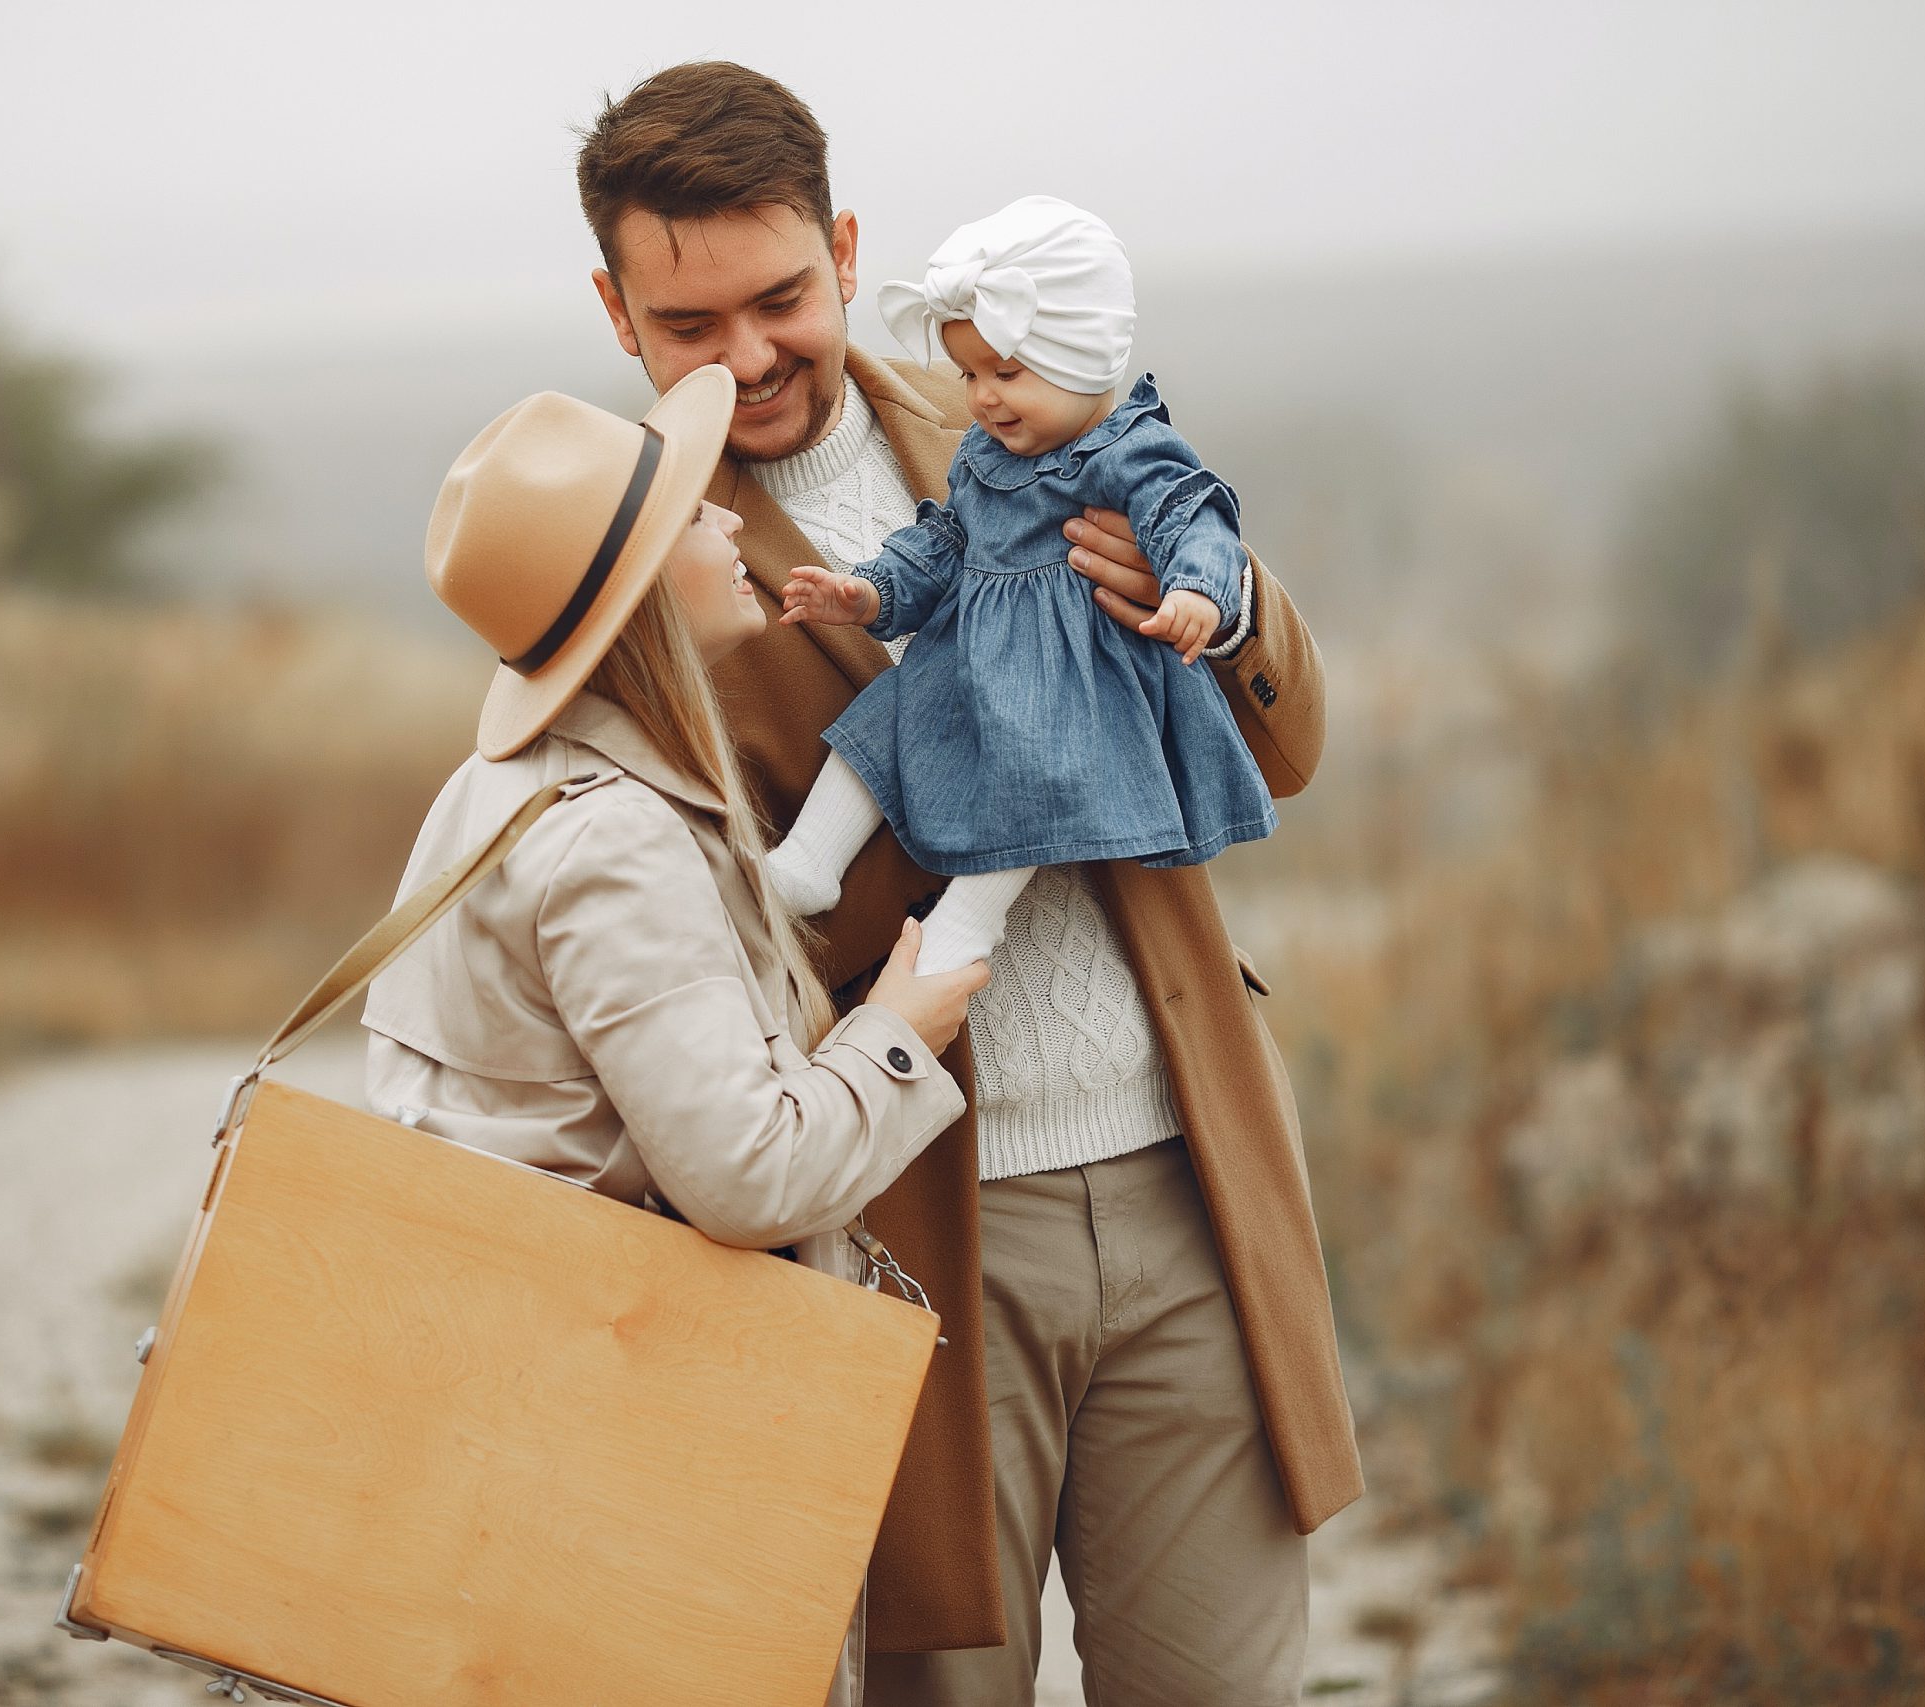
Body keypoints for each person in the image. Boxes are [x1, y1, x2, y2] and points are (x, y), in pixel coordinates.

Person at [573, 61, 1363, 1707]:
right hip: (898, 1242)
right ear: (613, 310)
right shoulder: (617, 568)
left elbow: (1285, 755)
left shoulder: (1039, 410)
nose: (747, 355)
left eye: (780, 297)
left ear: (848, 248)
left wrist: (1211, 595)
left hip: (1185, 1189)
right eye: (687, 323)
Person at [359, 366, 989, 1707]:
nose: (726, 518)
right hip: (615, 1440)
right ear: (646, 584)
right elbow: (744, 1177)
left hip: (507, 1413)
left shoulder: (496, 792)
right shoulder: (613, 837)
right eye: (693, 510)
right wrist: (896, 1032)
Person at [768, 194, 1277, 976]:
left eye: (1006, 372)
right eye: (970, 373)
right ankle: (807, 859)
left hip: (1068, 678)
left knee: (1029, 769)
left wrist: (1198, 593)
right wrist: (869, 592)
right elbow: (943, 541)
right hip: (964, 660)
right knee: (878, 728)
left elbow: (1191, 516)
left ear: (1084, 358)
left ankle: (969, 922)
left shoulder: (1125, 449)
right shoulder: (984, 453)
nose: (983, 397)